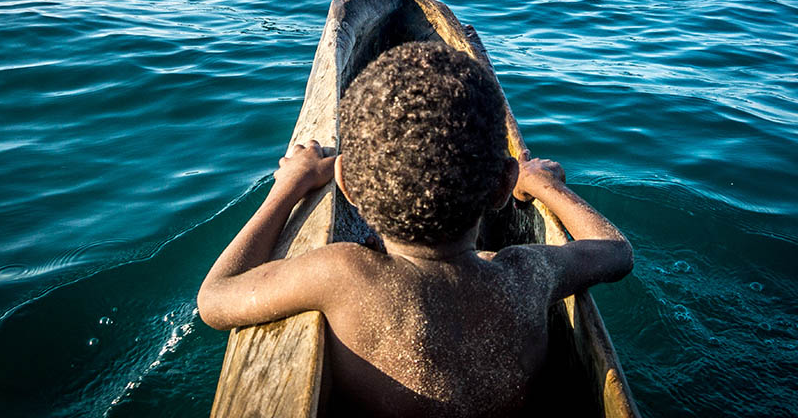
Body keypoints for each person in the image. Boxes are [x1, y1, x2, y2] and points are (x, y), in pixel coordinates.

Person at [198, 42, 633, 418]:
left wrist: (290, 185)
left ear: (346, 184)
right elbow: (616, 252)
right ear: (502, 186)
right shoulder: (528, 274)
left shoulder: (342, 274)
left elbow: (215, 299)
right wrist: (544, 186)